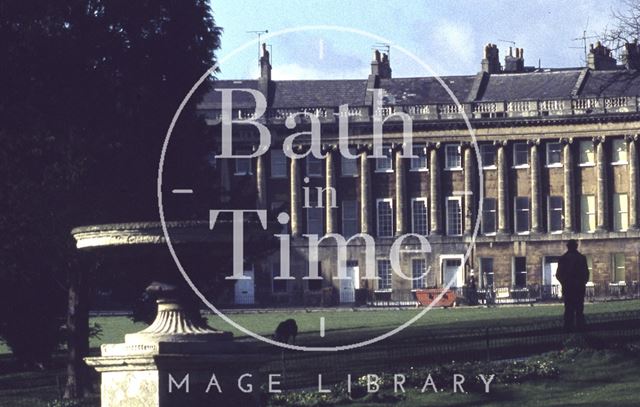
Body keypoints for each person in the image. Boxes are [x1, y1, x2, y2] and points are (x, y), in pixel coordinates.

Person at [556, 240, 590, 332]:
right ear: (576, 246)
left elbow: (558, 274)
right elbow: (586, 273)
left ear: (568, 246)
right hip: (579, 287)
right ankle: (580, 327)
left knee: (568, 308)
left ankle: (568, 327)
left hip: (568, 287)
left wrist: (564, 282)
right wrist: (583, 282)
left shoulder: (563, 258)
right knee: (579, 308)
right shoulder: (581, 258)